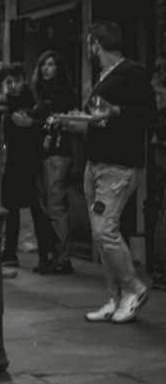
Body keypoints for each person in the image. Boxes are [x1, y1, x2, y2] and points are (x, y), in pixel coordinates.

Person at [72, 20, 155, 324]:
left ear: (95, 44)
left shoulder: (131, 72)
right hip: (95, 164)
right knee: (100, 233)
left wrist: (117, 112)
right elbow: (97, 116)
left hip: (118, 167)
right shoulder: (103, 76)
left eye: (89, 43)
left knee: (105, 230)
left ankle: (134, 289)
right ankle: (114, 298)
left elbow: (150, 113)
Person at [1, 64, 54, 277]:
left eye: (16, 81)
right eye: (9, 82)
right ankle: (11, 251)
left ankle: (44, 254)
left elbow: (21, 126)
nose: (13, 86)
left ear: (23, 80)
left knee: (35, 209)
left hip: (28, 160)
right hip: (16, 159)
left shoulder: (29, 100)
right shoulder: (10, 100)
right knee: (12, 208)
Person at [30, 49, 77, 274]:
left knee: (55, 205)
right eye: (43, 64)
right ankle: (56, 255)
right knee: (48, 205)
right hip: (44, 153)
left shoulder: (62, 91)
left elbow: (54, 120)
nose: (46, 68)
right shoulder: (43, 92)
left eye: (51, 64)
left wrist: (31, 120)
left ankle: (63, 257)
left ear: (58, 67)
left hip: (57, 152)